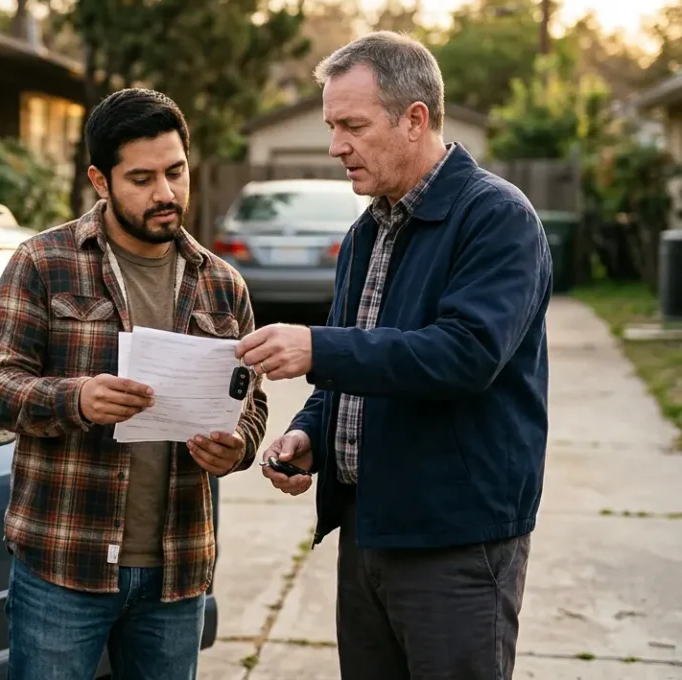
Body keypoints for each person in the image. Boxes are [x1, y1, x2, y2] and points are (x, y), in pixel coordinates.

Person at [236, 32, 553, 680]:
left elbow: (464, 354)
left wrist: (315, 347)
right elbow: (353, 370)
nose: (335, 146)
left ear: (415, 119)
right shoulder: (365, 232)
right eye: (331, 126)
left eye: (351, 125)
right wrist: (309, 433)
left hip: (456, 543)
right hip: (368, 530)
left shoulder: (496, 219)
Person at [0, 88, 269, 680]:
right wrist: (75, 398)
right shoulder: (43, 262)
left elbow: (251, 401)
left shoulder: (222, 285)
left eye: (176, 172)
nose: (165, 193)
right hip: (63, 562)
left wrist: (239, 448)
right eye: (142, 178)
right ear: (100, 181)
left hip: (177, 571)